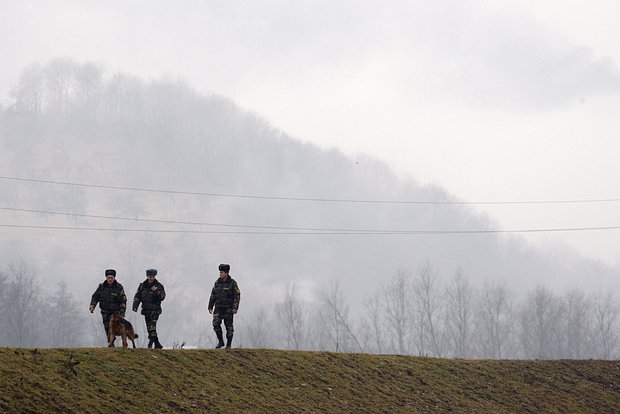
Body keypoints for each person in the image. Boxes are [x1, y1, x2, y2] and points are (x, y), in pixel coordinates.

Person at [89, 269, 127, 344]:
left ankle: (111, 341)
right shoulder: (101, 287)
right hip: (104, 311)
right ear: (106, 278)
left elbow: (123, 300)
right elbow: (95, 297)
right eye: (108, 277)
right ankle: (111, 341)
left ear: (114, 278)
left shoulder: (119, 287)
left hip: (115, 312)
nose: (110, 279)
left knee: (112, 325)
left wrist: (122, 313)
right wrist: (92, 305)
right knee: (107, 326)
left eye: (111, 278)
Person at [208, 264, 241, 349]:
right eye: (220, 272)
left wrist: (235, 307)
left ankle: (228, 344)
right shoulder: (217, 283)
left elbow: (237, 296)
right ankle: (221, 341)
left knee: (229, 327)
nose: (220, 274)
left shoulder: (232, 283)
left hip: (228, 309)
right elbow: (213, 295)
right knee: (215, 324)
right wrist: (210, 306)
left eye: (222, 272)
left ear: (226, 273)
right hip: (218, 308)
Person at [132, 269, 166, 349]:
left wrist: (156, 291)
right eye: (150, 277)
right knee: (149, 329)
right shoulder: (142, 286)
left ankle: (156, 344)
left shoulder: (159, 286)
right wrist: (135, 305)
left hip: (155, 310)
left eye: (152, 277)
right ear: (147, 276)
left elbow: (162, 297)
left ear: (155, 277)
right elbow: (138, 296)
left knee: (152, 328)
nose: (151, 278)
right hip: (146, 310)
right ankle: (153, 344)